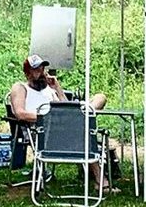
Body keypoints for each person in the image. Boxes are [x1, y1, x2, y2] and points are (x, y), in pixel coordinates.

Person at [7, 55, 113, 190]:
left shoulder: (49, 90)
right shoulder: (20, 87)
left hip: (63, 126)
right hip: (40, 131)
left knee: (100, 98)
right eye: (36, 70)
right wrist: (47, 117)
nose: (41, 72)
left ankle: (98, 178)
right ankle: (101, 181)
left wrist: (57, 88)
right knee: (84, 132)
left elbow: (67, 107)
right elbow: (20, 113)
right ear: (27, 73)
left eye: (42, 68)